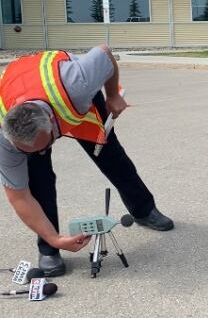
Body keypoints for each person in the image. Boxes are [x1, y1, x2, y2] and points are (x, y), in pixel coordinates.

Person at [0, 45, 174, 276]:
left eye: (44, 147)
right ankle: (49, 249)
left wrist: (112, 95)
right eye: (27, 151)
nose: (39, 153)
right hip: (21, 91)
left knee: (112, 157)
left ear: (54, 124)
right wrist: (55, 238)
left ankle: (144, 210)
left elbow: (105, 53)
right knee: (38, 180)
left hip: (64, 93)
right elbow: (19, 196)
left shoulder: (77, 83)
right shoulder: (6, 140)